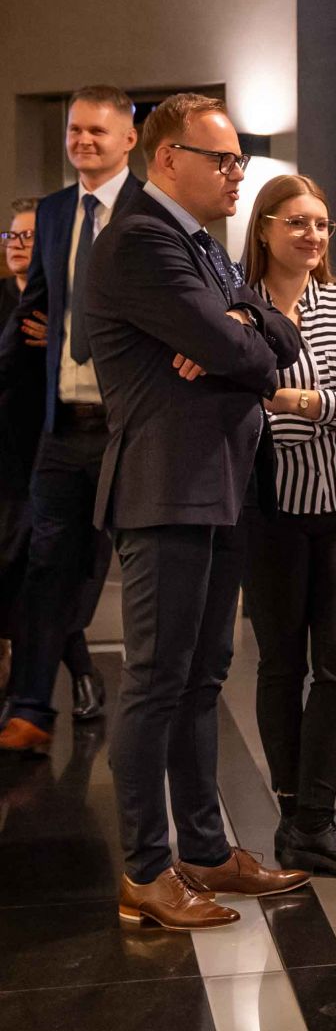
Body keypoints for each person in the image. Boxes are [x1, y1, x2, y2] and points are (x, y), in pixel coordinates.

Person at [86, 93, 309, 930]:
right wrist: (238, 334)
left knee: (202, 677)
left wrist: (242, 320)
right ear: (168, 158)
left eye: (238, 160)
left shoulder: (204, 247)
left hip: (217, 485)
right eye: (222, 160)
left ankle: (207, 852)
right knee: (155, 682)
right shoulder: (142, 239)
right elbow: (243, 350)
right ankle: (146, 871)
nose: (236, 173)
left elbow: (276, 338)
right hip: (166, 487)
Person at [239, 174, 336, 879]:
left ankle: (314, 821)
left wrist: (302, 402)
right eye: (298, 222)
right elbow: (236, 402)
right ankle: (294, 813)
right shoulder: (237, 306)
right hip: (268, 508)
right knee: (280, 665)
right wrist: (332, 406)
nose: (313, 235)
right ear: (265, 228)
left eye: (323, 224)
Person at [0, 86, 145, 752]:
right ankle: (31, 711)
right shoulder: (56, 211)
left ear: (129, 140)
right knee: (45, 565)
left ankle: (149, 709)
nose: (83, 141)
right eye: (75, 130)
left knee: (140, 569)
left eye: (97, 131)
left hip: (130, 429)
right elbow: (36, 305)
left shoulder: (151, 209)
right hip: (62, 429)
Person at [0, 199, 42, 695]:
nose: (16, 244)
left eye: (28, 236)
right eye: (12, 235)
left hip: (42, 453)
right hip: (4, 456)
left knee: (34, 568)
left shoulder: (65, 307)